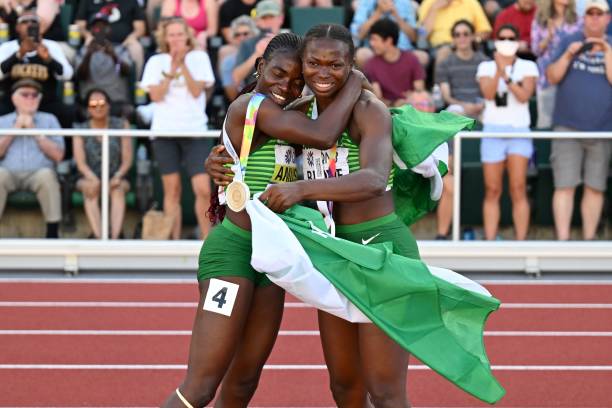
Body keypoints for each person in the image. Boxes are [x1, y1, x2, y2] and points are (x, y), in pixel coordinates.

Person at [161, 32, 364, 408]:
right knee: (201, 387)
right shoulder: (250, 106)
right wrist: (354, 80)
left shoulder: (292, 117)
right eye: (278, 74)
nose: (286, 86)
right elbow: (324, 135)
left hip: (271, 260)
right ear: (259, 67)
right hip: (233, 253)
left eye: (296, 80)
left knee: (244, 381)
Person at [140, 17, 215, 240]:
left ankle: (206, 240)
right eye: (171, 34)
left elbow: (196, 92)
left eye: (179, 34)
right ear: (164, 37)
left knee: (202, 189)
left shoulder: (200, 58)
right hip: (164, 131)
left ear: (187, 36)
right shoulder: (156, 61)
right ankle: (173, 241)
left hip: (195, 130)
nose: (175, 39)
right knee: (171, 191)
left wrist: (183, 64)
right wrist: (172, 69)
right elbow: (155, 96)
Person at [546, 0, 611, 240]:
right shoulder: (567, 41)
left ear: (608, 18)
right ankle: (562, 241)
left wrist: (607, 51)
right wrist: (569, 53)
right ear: (584, 17)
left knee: (595, 187)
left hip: (602, 129)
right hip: (567, 127)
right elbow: (552, 76)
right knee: (564, 185)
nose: (594, 18)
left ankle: (589, 239)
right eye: (590, 13)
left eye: (600, 13)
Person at [477, 23, 538, 240]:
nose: (506, 42)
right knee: (492, 189)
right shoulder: (485, 67)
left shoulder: (528, 66)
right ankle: (490, 241)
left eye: (511, 38)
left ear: (518, 41)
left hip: (519, 130)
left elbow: (524, 96)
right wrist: (499, 70)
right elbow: (488, 93)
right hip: (492, 130)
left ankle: (521, 242)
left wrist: (508, 77)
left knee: (518, 187)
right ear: (495, 41)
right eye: (502, 38)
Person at [434, 19, 487, 239]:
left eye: (465, 33)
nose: (462, 38)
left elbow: (489, 91)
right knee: (454, 112)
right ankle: (452, 162)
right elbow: (446, 96)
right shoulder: (446, 63)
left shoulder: (484, 61)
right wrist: (467, 107)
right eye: (457, 34)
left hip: (482, 110)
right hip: (458, 111)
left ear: (473, 36)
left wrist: (479, 105)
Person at [0, 78, 64, 238]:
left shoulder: (50, 120)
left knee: (47, 176)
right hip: (9, 173)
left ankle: (52, 233)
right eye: (25, 95)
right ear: (14, 98)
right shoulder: (3, 121)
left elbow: (58, 155)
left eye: (34, 95)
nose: (30, 99)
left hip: (38, 173)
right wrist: (14, 129)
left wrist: (35, 131)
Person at [73, 89, 132, 240]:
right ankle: (99, 238)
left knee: (117, 190)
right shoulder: (80, 129)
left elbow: (127, 159)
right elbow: (80, 163)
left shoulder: (121, 125)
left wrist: (117, 176)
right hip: (88, 176)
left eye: (102, 103)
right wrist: (92, 178)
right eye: (93, 104)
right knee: (90, 189)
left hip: (117, 175)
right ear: (87, 108)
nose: (98, 107)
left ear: (109, 105)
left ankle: (114, 238)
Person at [0, 11, 74, 128]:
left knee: (67, 113)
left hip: (44, 102)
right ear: (17, 28)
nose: (30, 25)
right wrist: (19, 54)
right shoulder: (8, 47)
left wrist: (49, 59)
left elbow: (67, 75)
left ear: (40, 27)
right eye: (25, 22)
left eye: (34, 22)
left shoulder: (51, 46)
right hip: (12, 103)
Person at [530, 0, 581, 129]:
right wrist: (549, 37)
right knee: (545, 120)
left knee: (569, 120)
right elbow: (535, 50)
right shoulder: (540, 20)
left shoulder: (578, 20)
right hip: (546, 76)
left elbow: (581, 45)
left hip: (571, 74)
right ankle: (545, 148)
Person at [75, 12, 132, 120]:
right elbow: (79, 76)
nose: (100, 30)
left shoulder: (120, 49)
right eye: (96, 28)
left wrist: (113, 56)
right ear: (91, 30)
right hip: (90, 103)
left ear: (109, 29)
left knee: (127, 111)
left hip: (115, 101)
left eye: (103, 27)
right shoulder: (83, 51)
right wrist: (88, 55)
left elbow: (127, 72)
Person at [363, 18, 426, 107]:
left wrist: (409, 100)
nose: (371, 43)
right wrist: (395, 104)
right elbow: (376, 99)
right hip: (386, 112)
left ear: (388, 41)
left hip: (411, 109)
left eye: (375, 39)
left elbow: (419, 90)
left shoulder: (412, 59)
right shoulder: (371, 64)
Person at [75, 0, 146, 76]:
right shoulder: (87, 1)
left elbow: (140, 28)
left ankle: (135, 82)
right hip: (95, 42)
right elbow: (79, 25)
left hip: (124, 44)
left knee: (136, 48)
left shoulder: (131, 1)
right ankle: (83, 84)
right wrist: (88, 36)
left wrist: (131, 38)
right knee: (85, 48)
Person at [350, 0, 429, 67]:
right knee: (362, 55)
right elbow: (359, 35)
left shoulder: (405, 3)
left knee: (423, 57)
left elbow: (414, 37)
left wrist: (396, 15)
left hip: (403, 50)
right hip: (374, 50)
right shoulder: (366, 2)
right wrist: (378, 12)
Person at [418, 0, 491, 64]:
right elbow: (422, 35)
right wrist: (434, 9)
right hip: (439, 47)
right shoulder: (428, 3)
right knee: (444, 52)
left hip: (468, 44)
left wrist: (467, 40)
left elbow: (485, 31)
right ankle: (441, 80)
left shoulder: (471, 2)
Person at [231, 0, 284, 87]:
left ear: (280, 19)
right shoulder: (248, 44)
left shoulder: (291, 41)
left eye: (271, 17)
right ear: (257, 21)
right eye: (264, 18)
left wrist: (280, 47)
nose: (268, 22)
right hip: (256, 93)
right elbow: (236, 78)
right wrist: (257, 54)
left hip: (286, 92)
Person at [218, 15, 258, 101]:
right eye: (237, 35)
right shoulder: (228, 62)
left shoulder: (264, 56)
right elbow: (232, 96)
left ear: (254, 35)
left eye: (246, 34)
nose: (242, 38)